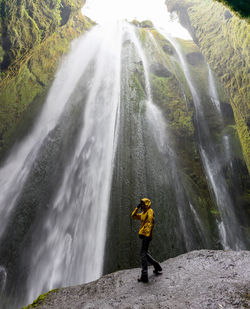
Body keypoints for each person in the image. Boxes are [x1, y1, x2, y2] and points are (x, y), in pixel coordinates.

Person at [131, 198, 162, 283]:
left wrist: (147, 234)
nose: (142, 205)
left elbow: (150, 221)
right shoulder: (143, 214)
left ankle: (144, 275)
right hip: (144, 235)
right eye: (141, 204)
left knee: (143, 253)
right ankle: (157, 266)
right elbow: (133, 215)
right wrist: (137, 208)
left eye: (143, 204)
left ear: (147, 204)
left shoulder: (150, 211)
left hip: (146, 235)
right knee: (144, 253)